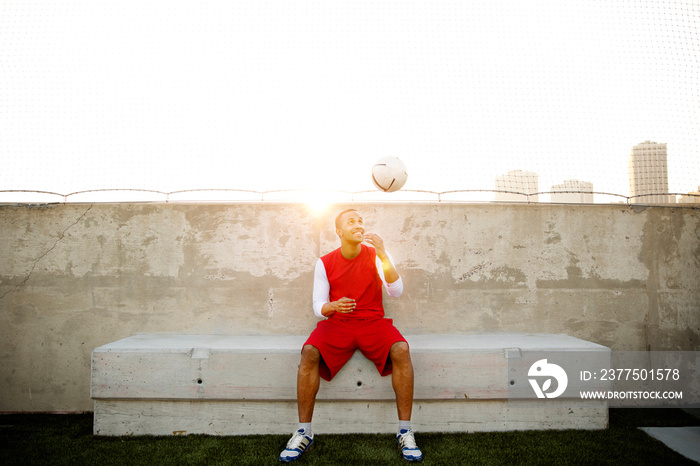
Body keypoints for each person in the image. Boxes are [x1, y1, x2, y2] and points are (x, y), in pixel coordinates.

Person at [279, 209, 422, 463]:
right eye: (351, 222)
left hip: (372, 320)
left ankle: (405, 430)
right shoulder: (325, 261)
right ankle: (304, 432)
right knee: (309, 351)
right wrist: (332, 307)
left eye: (360, 221)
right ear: (339, 232)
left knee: (401, 349)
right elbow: (318, 305)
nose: (358, 225)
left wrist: (383, 254)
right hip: (340, 321)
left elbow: (396, 291)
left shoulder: (377, 254)